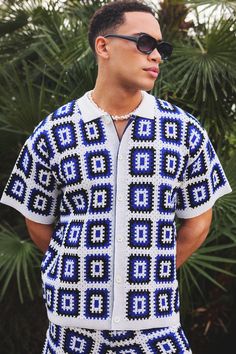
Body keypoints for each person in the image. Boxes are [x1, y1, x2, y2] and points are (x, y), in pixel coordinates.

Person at [0, 1, 232, 353]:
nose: (156, 56)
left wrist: (149, 272)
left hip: (155, 330)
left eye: (161, 48)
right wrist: (81, 266)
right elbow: (37, 221)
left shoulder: (184, 132)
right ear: (103, 46)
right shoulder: (54, 131)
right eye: (144, 43)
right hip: (72, 331)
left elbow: (198, 220)